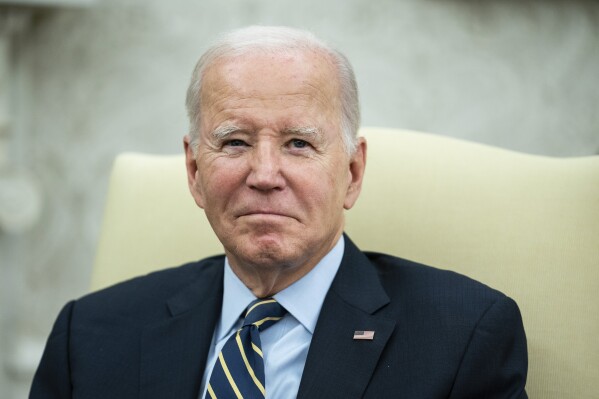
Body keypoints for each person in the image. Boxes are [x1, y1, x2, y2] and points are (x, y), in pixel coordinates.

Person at [30, 26, 528, 399]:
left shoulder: (465, 337)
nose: (265, 174)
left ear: (352, 172)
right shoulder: (89, 335)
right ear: (193, 170)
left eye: (298, 143)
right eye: (236, 141)